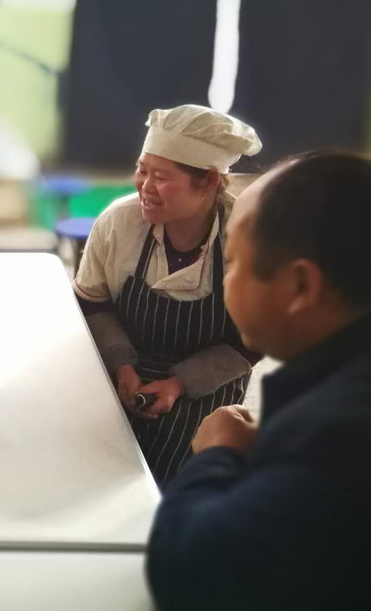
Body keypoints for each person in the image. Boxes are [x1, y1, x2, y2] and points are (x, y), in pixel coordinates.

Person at [147, 151, 371, 610]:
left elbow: (190, 573)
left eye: (235, 261)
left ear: (300, 286)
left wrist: (217, 455)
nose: (227, 280)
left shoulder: (341, 431)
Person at [74, 104, 263, 486]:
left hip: (208, 384)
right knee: (90, 461)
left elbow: (254, 338)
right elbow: (93, 301)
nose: (144, 186)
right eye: (142, 170)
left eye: (161, 177)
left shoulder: (246, 236)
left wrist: (180, 384)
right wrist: (121, 366)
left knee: (177, 481)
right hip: (120, 364)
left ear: (208, 182)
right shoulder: (119, 222)